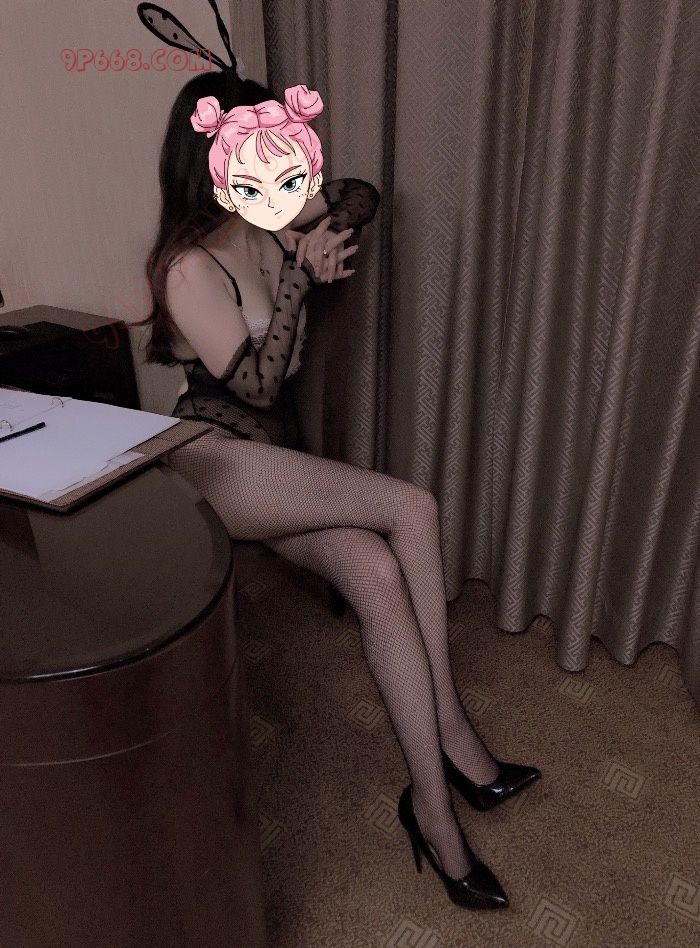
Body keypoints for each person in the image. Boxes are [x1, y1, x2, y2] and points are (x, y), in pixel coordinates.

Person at [135, 58, 541, 915]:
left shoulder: (269, 212)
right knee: (412, 506)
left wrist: (320, 231)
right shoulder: (186, 268)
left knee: (380, 573)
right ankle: (454, 736)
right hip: (213, 461)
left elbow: (360, 192)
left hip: (275, 463)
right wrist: (299, 273)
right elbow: (256, 385)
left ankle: (431, 804)